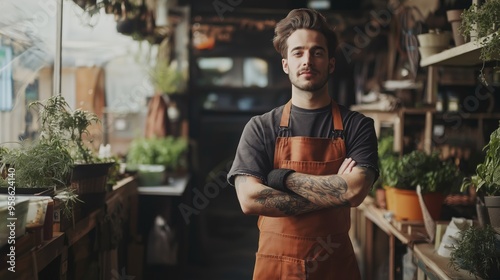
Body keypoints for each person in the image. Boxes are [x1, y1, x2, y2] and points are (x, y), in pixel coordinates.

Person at [227, 8, 379, 280]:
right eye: (298, 52)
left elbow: (354, 191)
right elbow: (249, 199)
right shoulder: (261, 128)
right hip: (276, 266)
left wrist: (283, 178)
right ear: (286, 64)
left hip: (334, 267)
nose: (307, 60)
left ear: (331, 63)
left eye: (317, 52)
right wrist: (334, 192)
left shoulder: (358, 125)